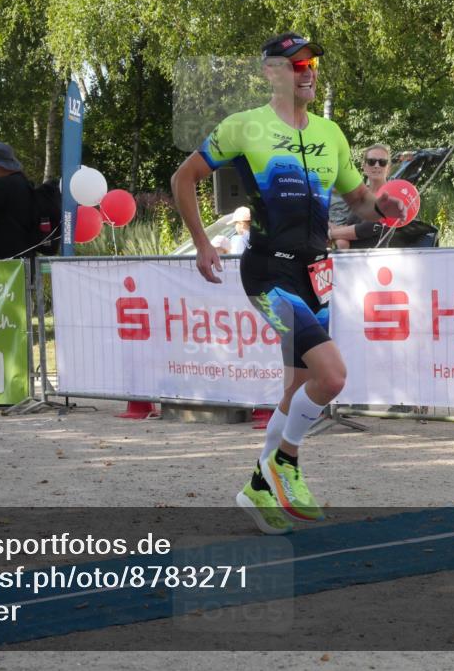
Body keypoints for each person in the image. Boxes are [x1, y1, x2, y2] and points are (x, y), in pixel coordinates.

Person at [171, 32, 403, 534]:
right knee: (332, 377)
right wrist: (203, 243)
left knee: (298, 387)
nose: (308, 72)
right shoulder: (244, 126)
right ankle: (286, 462)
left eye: (312, 63)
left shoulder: (331, 133)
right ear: (272, 72)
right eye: (297, 64)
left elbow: (359, 201)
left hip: (315, 274)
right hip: (268, 271)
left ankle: (260, 484)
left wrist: (387, 207)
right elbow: (182, 178)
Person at [329, 144, 391, 249]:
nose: (376, 165)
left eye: (382, 162)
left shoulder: (391, 196)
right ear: (364, 167)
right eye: (371, 161)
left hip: (375, 257)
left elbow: (364, 229)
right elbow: (346, 225)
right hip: (350, 256)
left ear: (388, 168)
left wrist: (330, 233)